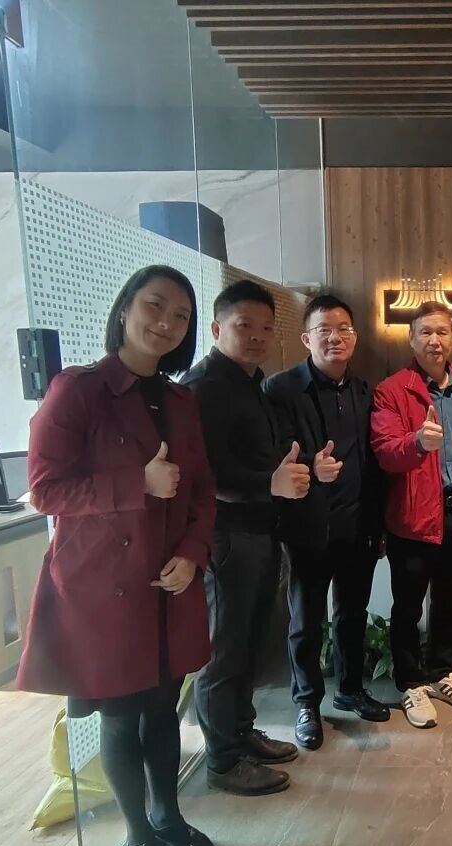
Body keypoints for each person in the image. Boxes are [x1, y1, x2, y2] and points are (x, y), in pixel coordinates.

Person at [17, 265, 217, 846]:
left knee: (162, 709)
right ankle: (137, 838)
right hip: (103, 587)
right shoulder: (77, 391)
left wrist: (193, 554)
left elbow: (202, 492)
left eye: (181, 316)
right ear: (125, 307)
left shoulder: (182, 401)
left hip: (167, 580)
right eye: (156, 305)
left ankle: (168, 816)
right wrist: (138, 484)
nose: (166, 323)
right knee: (121, 715)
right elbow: (45, 492)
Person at [182, 280, 308, 796]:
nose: (257, 336)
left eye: (265, 328)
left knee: (249, 642)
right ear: (217, 328)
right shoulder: (204, 386)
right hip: (228, 537)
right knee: (224, 650)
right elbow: (205, 473)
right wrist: (269, 483)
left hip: (259, 530)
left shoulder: (250, 383)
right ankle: (223, 760)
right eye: (244, 326)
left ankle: (241, 732)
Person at [264, 294, 389, 750]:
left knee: (352, 616)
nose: (334, 338)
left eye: (343, 330)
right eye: (324, 330)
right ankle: (306, 703)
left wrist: (378, 526)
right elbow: (272, 454)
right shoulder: (280, 390)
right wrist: (311, 471)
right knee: (306, 622)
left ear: (354, 338)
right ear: (306, 339)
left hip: (358, 527)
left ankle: (350, 689)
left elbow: (375, 463)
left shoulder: (365, 392)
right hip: (307, 529)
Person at [371, 301, 452, 729]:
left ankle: (444, 672)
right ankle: (410, 683)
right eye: (425, 332)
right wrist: (418, 442)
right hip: (412, 517)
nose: (434, 340)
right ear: (411, 339)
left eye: (442, 332)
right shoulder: (392, 390)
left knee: (449, 601)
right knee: (406, 606)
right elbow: (385, 451)